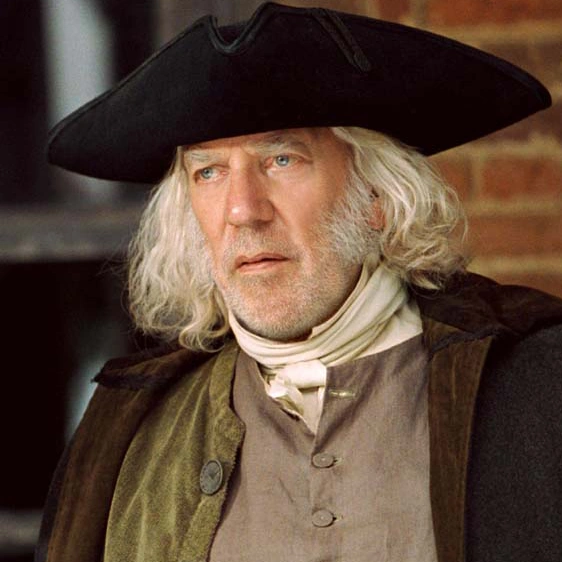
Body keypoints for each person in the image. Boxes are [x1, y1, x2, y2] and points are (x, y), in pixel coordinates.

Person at [37, 3, 562, 562]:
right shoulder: (126, 434)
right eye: (209, 172)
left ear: (375, 196)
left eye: (282, 160)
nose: (243, 210)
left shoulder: (538, 387)